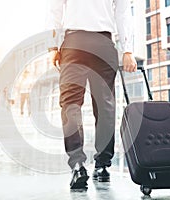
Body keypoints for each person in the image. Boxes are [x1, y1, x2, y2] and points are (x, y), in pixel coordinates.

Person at [46, 0, 137, 189]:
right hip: (103, 43)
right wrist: (128, 50)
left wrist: (53, 47)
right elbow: (123, 13)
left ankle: (77, 164)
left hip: (74, 43)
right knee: (105, 106)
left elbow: (54, 10)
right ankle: (103, 166)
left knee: (70, 103)